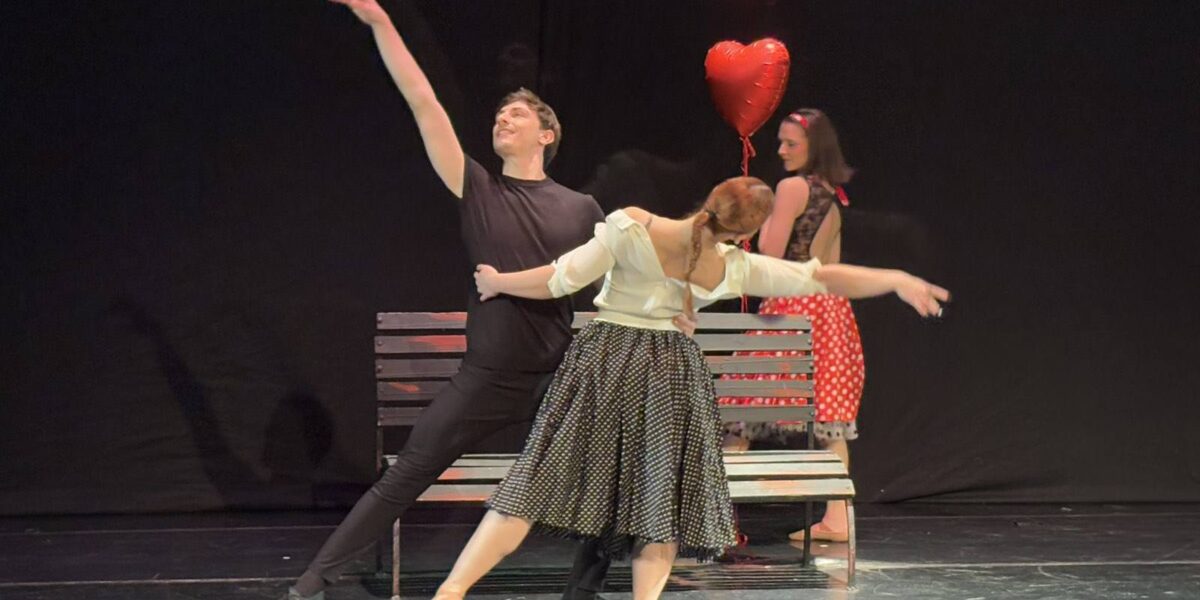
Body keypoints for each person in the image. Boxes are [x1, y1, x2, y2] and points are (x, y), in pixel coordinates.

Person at [286, 1, 674, 597]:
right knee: (407, 473)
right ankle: (311, 582)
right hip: (487, 377)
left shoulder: (582, 209)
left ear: (546, 134)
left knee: (605, 476)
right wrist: (380, 22)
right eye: (498, 115)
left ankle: (583, 590)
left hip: (557, 377)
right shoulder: (478, 188)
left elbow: (624, 281)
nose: (503, 119)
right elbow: (423, 102)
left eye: (517, 114)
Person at [431, 176, 949, 600]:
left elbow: (560, 279)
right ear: (746, 233)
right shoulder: (733, 267)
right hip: (670, 375)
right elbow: (822, 278)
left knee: (534, 486)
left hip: (605, 364)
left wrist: (498, 282)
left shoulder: (631, 226)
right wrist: (896, 278)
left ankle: (453, 590)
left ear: (710, 200)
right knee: (658, 503)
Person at [720, 108, 866, 542]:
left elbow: (769, 251)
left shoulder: (791, 187)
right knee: (828, 417)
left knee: (740, 411)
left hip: (792, 308)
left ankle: (717, 518)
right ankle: (837, 519)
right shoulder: (832, 194)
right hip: (831, 312)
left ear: (812, 147)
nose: (781, 150)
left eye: (790, 143)